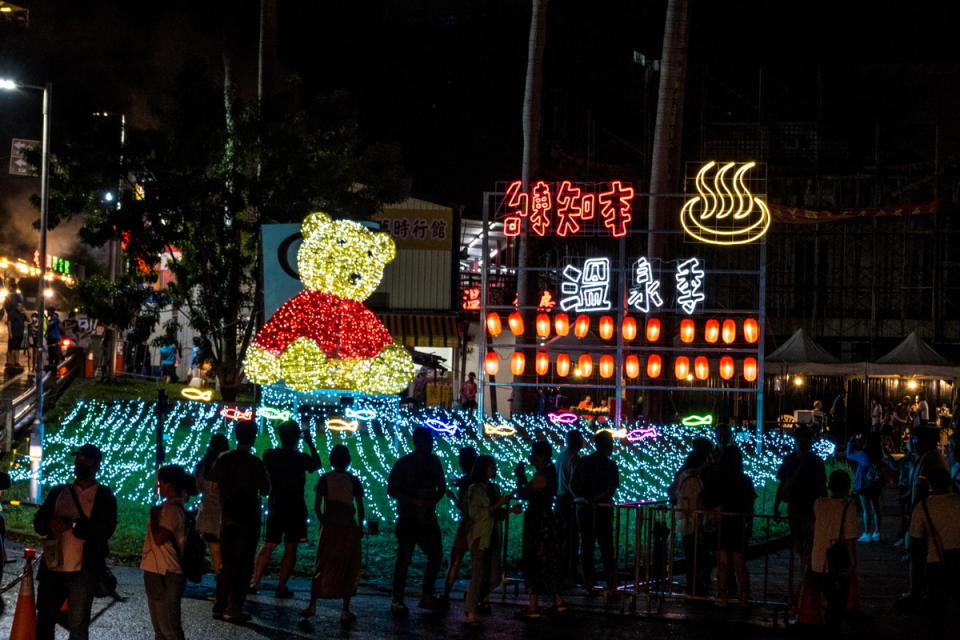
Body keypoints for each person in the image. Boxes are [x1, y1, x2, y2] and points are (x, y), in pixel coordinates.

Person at [34, 444, 118, 640]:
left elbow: (105, 530)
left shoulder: (104, 495)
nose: (79, 464)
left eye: (84, 460)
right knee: (45, 618)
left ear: (96, 465)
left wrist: (72, 525)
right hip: (53, 567)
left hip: (84, 569)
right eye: (77, 459)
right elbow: (38, 522)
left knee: (78, 624)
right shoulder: (59, 492)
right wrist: (48, 524)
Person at [250, 420, 321, 597]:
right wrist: (310, 442)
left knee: (268, 544)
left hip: (276, 505)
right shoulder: (301, 458)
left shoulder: (270, 455)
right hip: (296, 507)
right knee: (291, 547)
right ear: (297, 437)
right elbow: (316, 465)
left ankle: (255, 582)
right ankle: (281, 585)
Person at [209, 420, 270, 624]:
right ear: (253, 438)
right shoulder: (255, 463)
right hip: (248, 519)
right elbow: (265, 489)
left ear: (236, 435)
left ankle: (220, 605)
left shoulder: (223, 458)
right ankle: (234, 608)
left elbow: (215, 484)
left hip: (227, 518)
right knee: (243, 565)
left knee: (227, 564)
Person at [300, 444, 364, 624]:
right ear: (348, 461)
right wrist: (359, 527)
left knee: (322, 563)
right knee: (348, 564)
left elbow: (317, 505)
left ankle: (313, 604)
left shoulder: (325, 478)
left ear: (331, 460)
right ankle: (345, 609)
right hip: (348, 527)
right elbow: (360, 506)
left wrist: (324, 520)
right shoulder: (353, 480)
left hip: (330, 526)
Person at [387, 427, 445, 616]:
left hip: (428, 517)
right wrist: (414, 501)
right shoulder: (404, 464)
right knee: (404, 558)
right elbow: (392, 490)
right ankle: (398, 598)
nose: (430, 445)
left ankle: (426, 594)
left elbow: (441, 486)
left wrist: (432, 500)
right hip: (409, 518)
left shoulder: (434, 462)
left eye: (430, 441)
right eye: (426, 441)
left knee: (436, 554)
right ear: (417, 443)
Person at [141, 465, 200, 640]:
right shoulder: (171, 507)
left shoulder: (172, 510)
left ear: (169, 485)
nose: (159, 487)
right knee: (161, 629)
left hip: (165, 572)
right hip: (159, 570)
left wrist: (153, 517)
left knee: (169, 628)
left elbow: (160, 538)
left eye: (161, 483)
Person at [464, 455, 517, 626]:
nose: (494, 469)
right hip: (480, 537)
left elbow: (496, 515)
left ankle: (471, 601)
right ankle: (470, 612)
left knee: (495, 577)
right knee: (478, 575)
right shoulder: (475, 489)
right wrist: (500, 504)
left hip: (493, 536)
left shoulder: (494, 488)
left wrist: (509, 510)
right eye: (491, 466)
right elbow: (479, 515)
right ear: (483, 469)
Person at [515, 441, 565, 617]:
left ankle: (533, 606)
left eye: (533, 454)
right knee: (549, 559)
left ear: (540, 456)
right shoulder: (549, 472)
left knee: (535, 559)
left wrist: (520, 476)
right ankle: (558, 601)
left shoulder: (543, 475)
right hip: (546, 520)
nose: (531, 457)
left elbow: (524, 493)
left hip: (538, 522)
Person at [909, 467, 960, 638]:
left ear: (930, 483)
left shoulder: (923, 507)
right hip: (958, 559)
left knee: (938, 608)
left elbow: (915, 540)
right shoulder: (957, 502)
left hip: (936, 561)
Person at [702, 447, 756, 605]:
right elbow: (749, 503)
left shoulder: (715, 478)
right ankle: (744, 595)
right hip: (738, 523)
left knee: (722, 561)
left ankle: (722, 595)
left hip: (721, 523)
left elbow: (707, 499)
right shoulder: (743, 479)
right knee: (739, 560)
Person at [810, 470, 860, 629]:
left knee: (826, 600)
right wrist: (853, 563)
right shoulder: (848, 507)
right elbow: (849, 539)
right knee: (836, 603)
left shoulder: (818, 503)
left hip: (818, 560)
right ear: (847, 486)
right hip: (837, 563)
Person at [571, 430, 620, 589]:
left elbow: (573, 483)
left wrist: (583, 498)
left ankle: (588, 581)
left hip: (584, 508)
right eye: (610, 443)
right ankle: (611, 581)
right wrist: (596, 500)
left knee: (587, 545)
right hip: (602, 510)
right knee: (606, 546)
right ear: (606, 445)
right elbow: (611, 489)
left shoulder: (585, 461)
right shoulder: (610, 465)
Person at [774, 427, 826, 572]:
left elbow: (782, 483)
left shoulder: (797, 460)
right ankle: (805, 565)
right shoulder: (814, 461)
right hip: (801, 504)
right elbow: (822, 486)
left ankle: (805, 566)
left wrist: (776, 505)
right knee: (801, 537)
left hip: (806, 505)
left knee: (805, 537)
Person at [671, 438, 714, 596]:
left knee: (694, 556)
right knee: (698, 557)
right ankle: (695, 587)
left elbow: (672, 490)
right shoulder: (693, 479)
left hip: (685, 521)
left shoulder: (683, 475)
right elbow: (696, 502)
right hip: (692, 522)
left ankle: (694, 585)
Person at [441, 446, 479, 605]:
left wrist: (451, 497)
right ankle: (481, 599)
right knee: (478, 563)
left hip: (466, 524)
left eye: (460, 459)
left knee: (455, 559)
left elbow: (463, 507)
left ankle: (445, 595)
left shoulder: (465, 482)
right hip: (480, 525)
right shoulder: (478, 480)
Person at [194, 433, 229, 576]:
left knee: (215, 552)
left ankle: (220, 586)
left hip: (209, 515)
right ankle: (225, 585)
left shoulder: (203, 466)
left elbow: (198, 488)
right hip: (227, 514)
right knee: (226, 552)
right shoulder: (229, 464)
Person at [555, 430, 585, 584]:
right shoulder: (574, 458)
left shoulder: (561, 456)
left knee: (562, 538)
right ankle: (569, 573)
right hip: (569, 501)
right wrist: (579, 498)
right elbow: (574, 482)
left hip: (560, 499)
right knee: (571, 539)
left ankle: (561, 571)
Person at [846, 433, 885, 542]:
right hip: (875, 484)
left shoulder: (863, 454)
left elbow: (848, 454)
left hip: (864, 484)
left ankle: (867, 533)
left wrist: (851, 442)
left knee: (866, 510)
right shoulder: (878, 455)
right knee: (876, 509)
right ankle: (877, 533)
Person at [6, 301, 26, 366]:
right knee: (12, 349)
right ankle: (10, 362)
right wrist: (10, 333)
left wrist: (25, 313)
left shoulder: (22, 314)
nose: (20, 307)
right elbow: (9, 323)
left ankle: (16, 362)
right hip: (14, 334)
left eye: (21, 306)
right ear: (16, 306)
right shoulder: (12, 313)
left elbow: (29, 320)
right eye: (19, 306)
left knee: (17, 349)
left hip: (20, 334)